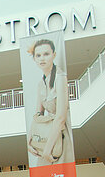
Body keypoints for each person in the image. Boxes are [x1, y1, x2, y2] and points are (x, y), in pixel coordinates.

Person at [26, 38, 73, 166]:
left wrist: (47, 149)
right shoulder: (41, 83)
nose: (42, 58)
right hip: (47, 139)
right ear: (34, 58)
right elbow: (37, 116)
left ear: (54, 55)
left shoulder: (60, 77)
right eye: (38, 55)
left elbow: (61, 117)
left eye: (46, 54)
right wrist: (29, 141)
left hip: (61, 137)